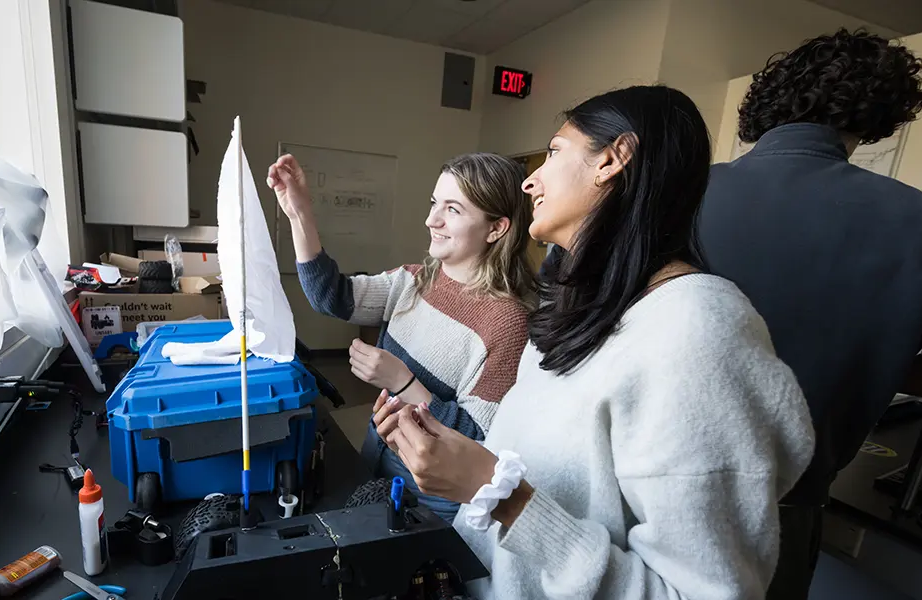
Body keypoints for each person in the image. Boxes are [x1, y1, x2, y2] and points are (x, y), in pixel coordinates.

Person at [373, 85, 816, 599]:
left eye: (555, 152)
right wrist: (455, 455)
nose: (530, 182)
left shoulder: (697, 334)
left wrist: (497, 495)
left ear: (612, 159)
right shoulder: (578, 305)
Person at [694, 28, 922, 600]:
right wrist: (881, 357)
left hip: (629, 491)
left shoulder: (675, 194)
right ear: (879, 116)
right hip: (781, 514)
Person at [267, 152, 536, 523]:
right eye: (433, 203)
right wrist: (299, 212)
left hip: (432, 492)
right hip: (376, 449)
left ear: (496, 228)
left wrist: (402, 381)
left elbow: (476, 438)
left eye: (453, 210)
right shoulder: (411, 281)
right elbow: (331, 295)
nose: (431, 220)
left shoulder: (508, 321)